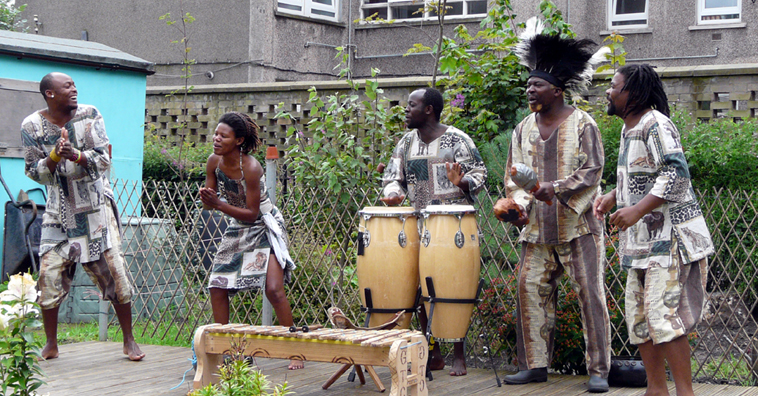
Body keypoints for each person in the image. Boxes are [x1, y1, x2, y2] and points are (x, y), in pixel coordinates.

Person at [502, 18, 611, 392]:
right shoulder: (523, 128)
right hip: (536, 231)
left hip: (578, 229)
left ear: (558, 91)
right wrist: (517, 205)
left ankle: (598, 370)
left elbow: (593, 172)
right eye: (529, 84)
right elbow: (513, 176)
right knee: (529, 292)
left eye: (537, 85)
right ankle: (534, 366)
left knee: (590, 297)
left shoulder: (584, 124)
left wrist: (555, 189)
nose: (529, 90)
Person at [594, 64, 713, 396]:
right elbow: (643, 175)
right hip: (642, 244)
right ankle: (656, 390)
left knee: (665, 318)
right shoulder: (629, 128)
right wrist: (613, 196)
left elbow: (676, 175)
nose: (608, 91)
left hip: (671, 240)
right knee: (640, 320)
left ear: (633, 93)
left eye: (614, 86)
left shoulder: (656, 124)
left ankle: (684, 393)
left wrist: (635, 210)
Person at [22, 72, 145, 361]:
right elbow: (32, 171)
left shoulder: (90, 115)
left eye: (75, 85)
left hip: (94, 209)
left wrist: (76, 155)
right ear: (50, 94)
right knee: (48, 274)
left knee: (115, 274)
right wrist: (54, 155)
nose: (74, 90)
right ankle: (51, 343)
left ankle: (129, 339)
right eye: (67, 86)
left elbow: (103, 159)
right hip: (57, 211)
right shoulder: (31, 125)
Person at [381, 87, 487, 376]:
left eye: (411, 105)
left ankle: (459, 354)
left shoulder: (457, 140)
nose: (406, 109)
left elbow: (480, 174)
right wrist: (392, 194)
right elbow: (394, 178)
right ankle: (433, 353)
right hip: (417, 225)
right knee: (420, 287)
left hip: (451, 227)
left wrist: (461, 181)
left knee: (454, 285)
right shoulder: (406, 143)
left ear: (428, 109)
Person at [199, 112, 301, 370]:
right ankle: (229, 351)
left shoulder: (252, 168)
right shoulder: (214, 162)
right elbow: (210, 204)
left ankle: (295, 350)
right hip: (238, 225)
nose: (216, 138)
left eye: (224, 135)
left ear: (239, 140)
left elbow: (253, 212)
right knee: (217, 285)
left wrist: (219, 204)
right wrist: (207, 197)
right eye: (216, 133)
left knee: (274, 289)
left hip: (264, 225)